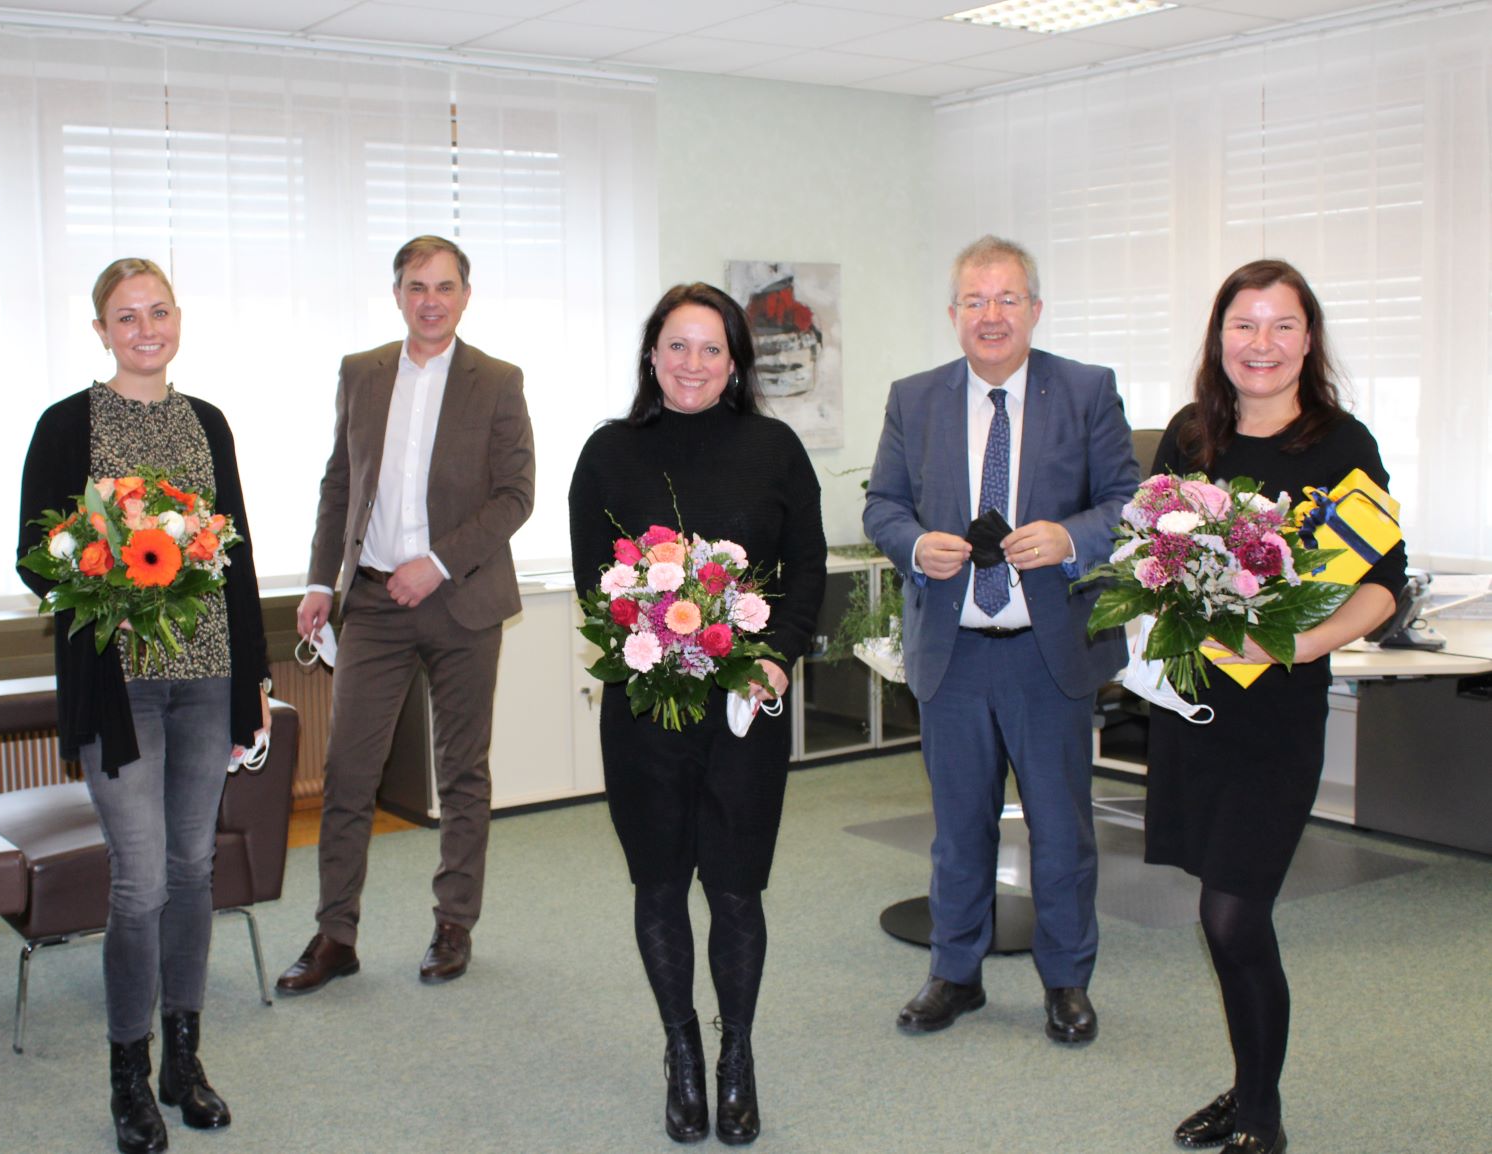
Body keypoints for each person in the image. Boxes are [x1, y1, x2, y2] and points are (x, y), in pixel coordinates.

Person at [1146, 260, 1404, 1154]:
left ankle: (1263, 1111)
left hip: (1278, 718)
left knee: (1233, 913)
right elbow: (1153, 561)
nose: (1262, 344)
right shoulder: (1189, 438)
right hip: (1197, 711)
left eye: (1282, 325)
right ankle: (1246, 1084)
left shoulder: (1339, 444)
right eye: (1244, 326)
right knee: (1218, 911)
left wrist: (1294, 644)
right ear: (1219, 338)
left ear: (1308, 338)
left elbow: (1382, 587)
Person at [17, 258, 270, 1154]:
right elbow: (34, 556)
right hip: (117, 688)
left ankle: (184, 1062)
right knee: (142, 880)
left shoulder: (208, 424)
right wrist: (109, 564)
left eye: (158, 311)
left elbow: (234, 554)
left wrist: (257, 685)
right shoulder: (66, 426)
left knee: (195, 870)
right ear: (101, 332)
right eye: (126, 317)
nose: (145, 329)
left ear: (178, 318)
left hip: (206, 678)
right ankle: (129, 1073)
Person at [567, 283, 827, 1146]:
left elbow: (805, 574)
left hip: (746, 711)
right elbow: (594, 585)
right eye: (677, 346)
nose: (692, 364)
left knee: (737, 891)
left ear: (735, 362)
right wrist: (663, 647)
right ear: (651, 355)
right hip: (647, 712)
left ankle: (736, 1056)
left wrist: (773, 657)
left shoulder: (777, 448)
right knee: (659, 884)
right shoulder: (609, 453)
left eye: (711, 349)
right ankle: (681, 1048)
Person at [863, 236, 1140, 1044]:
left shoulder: (1086, 391)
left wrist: (1071, 538)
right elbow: (883, 505)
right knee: (959, 829)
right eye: (975, 301)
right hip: (953, 653)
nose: (991, 316)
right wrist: (916, 545)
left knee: (1060, 828)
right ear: (953, 314)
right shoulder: (913, 399)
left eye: (1007, 299)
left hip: (1047, 653)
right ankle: (955, 973)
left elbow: (1131, 502)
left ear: (1035, 310)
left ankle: (1066, 982)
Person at [276, 235, 534, 994]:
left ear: (465, 295)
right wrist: (323, 580)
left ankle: (453, 923)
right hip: (375, 605)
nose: (431, 300)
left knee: (462, 772)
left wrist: (440, 561)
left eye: (445, 287)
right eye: (417, 286)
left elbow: (516, 495)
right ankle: (335, 935)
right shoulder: (361, 373)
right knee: (348, 771)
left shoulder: (498, 380)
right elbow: (338, 485)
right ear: (396, 294)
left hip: (462, 598)